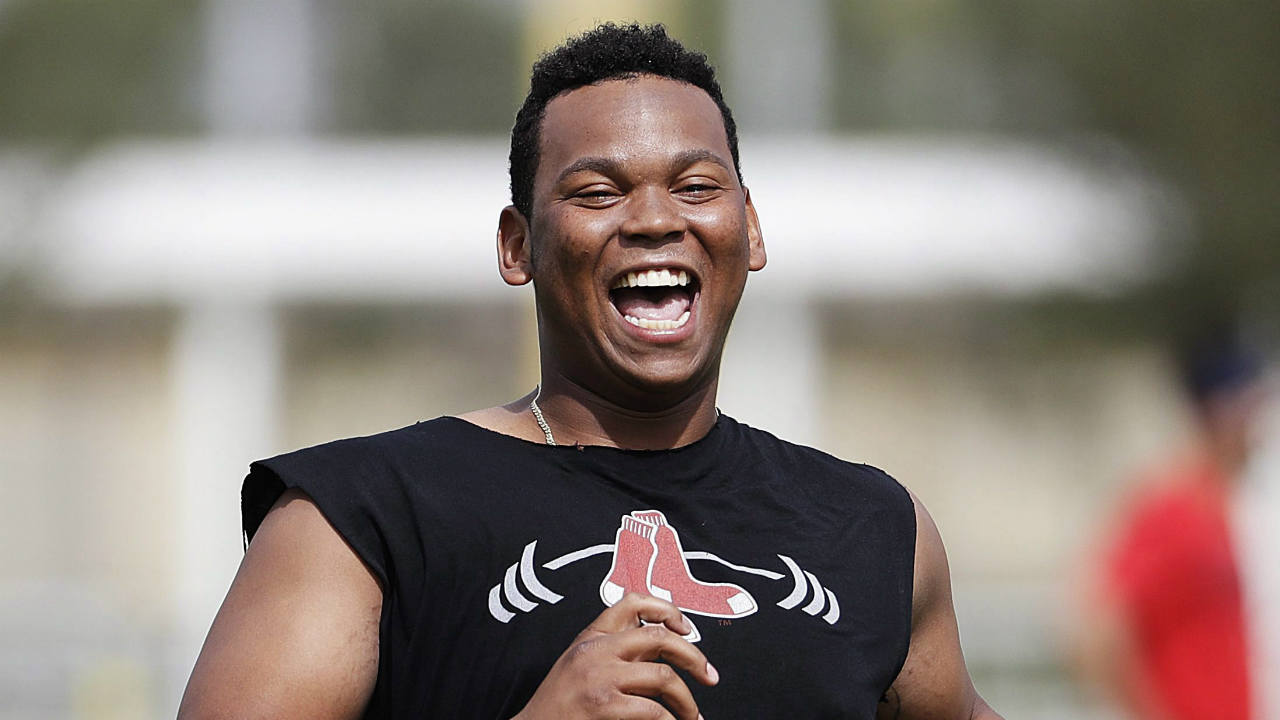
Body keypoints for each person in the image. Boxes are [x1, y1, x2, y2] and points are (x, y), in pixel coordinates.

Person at [179, 23, 1000, 720]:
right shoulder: (363, 519)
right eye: (599, 192)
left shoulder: (874, 531)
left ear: (749, 229)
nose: (654, 219)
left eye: (697, 185)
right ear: (517, 245)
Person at [1073, 328, 1267, 720]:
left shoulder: (1233, 507)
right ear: (1222, 411)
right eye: (1253, 406)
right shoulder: (1172, 509)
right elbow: (1095, 636)